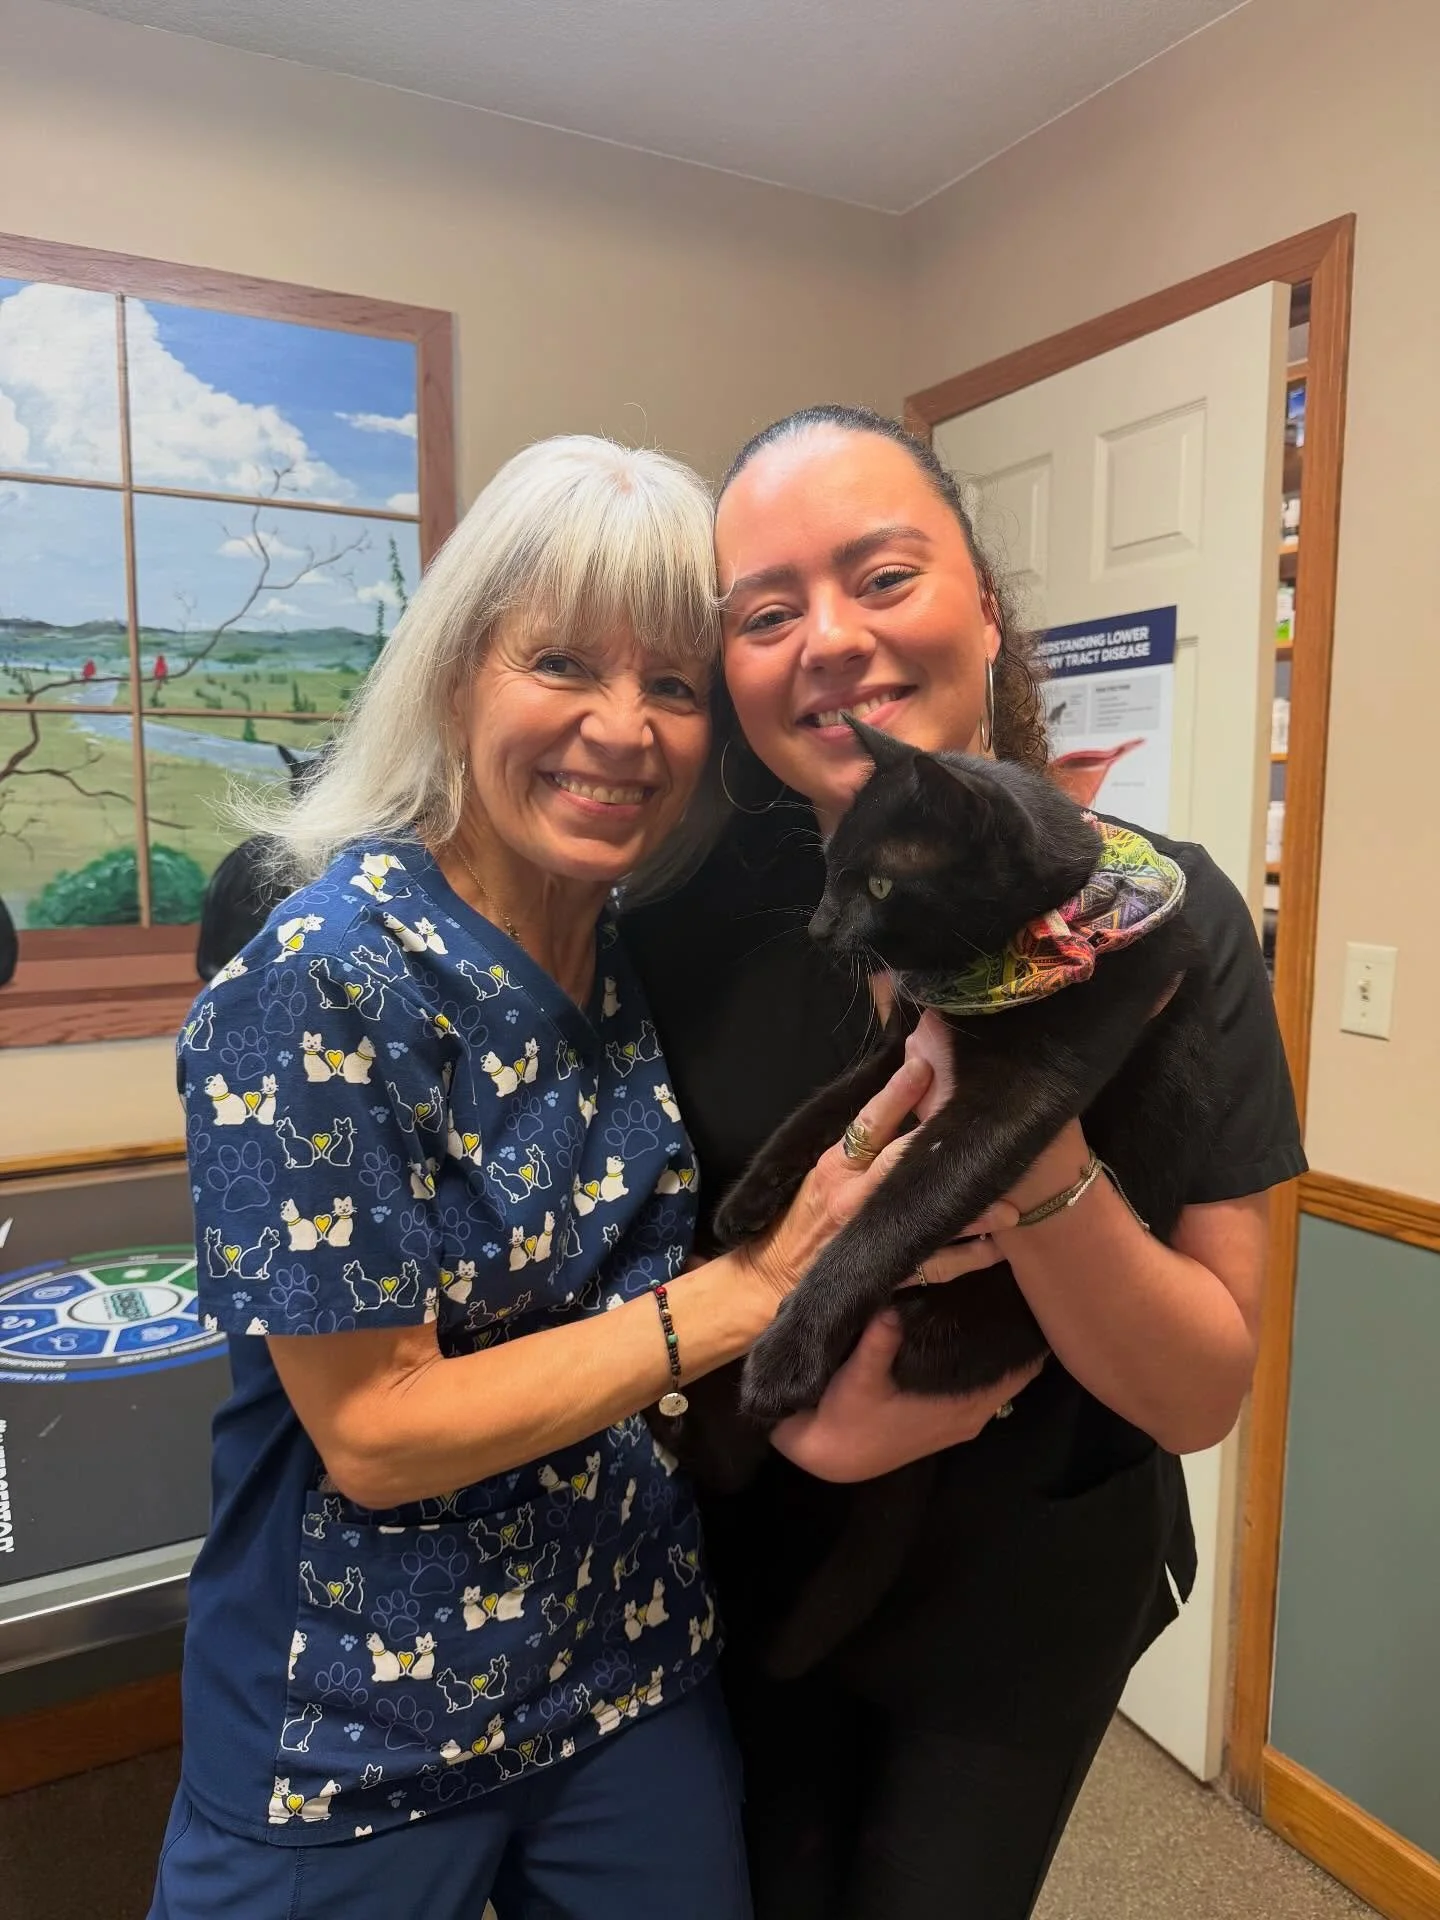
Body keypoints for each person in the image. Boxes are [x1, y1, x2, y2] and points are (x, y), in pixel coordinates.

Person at [148, 434, 933, 1920]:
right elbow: (374, 1430)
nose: (621, 730)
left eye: (674, 686)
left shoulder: (623, 958)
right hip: (356, 1731)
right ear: (457, 673)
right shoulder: (318, 983)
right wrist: (748, 1296)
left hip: (626, 1672)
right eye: (562, 663)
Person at [624, 405, 1307, 1920]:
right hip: (749, 1560)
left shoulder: (1161, 925)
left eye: (883, 575)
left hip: (1029, 1600)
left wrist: (1028, 1137)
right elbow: (629, 1285)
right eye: (766, 610)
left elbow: (1199, 1387)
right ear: (731, 671)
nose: (831, 640)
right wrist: (807, 1421)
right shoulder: (671, 934)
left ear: (984, 608)